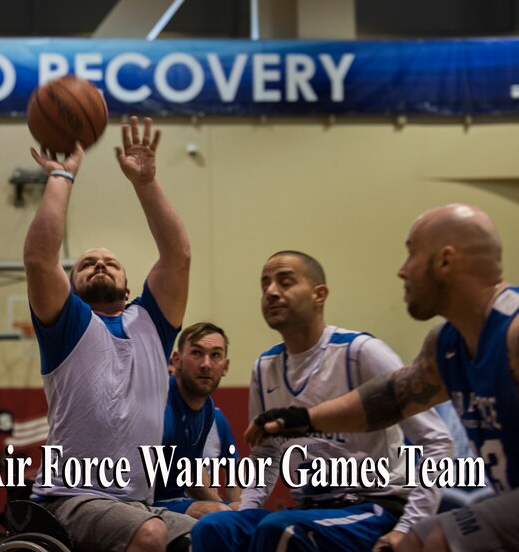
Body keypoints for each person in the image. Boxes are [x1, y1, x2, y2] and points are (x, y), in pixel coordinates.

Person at [249, 205, 519, 551]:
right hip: (507, 502)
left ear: (446, 261)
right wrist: (303, 418)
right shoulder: (446, 344)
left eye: (411, 253)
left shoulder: (513, 334)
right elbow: (387, 400)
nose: (402, 271)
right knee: (417, 543)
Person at [194, 251, 452, 552]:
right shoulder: (265, 367)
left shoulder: (361, 352)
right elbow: (266, 453)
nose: (272, 292)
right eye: (265, 285)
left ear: (319, 294)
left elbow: (437, 440)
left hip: (375, 506)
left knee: (281, 531)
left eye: (285, 282)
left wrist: (409, 528)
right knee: (215, 527)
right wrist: (247, 509)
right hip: (311, 510)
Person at [24, 116, 194, 551]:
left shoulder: (151, 324)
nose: (99, 265)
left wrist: (146, 183)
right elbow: (40, 260)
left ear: (128, 283)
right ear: (73, 283)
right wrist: (62, 176)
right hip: (68, 497)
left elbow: (177, 255)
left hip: (138, 502)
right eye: (86, 263)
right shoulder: (69, 324)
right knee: (150, 535)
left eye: (110, 263)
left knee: (222, 531)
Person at [153, 321, 239, 519]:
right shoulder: (159, 404)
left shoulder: (207, 408)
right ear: (176, 360)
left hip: (178, 501)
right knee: (220, 514)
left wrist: (228, 506)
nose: (206, 364)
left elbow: (191, 475)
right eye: (197, 353)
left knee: (244, 511)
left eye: (215, 355)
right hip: (145, 505)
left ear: (225, 367)